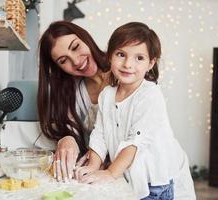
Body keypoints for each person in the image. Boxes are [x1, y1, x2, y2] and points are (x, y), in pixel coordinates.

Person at [75, 22, 196, 199]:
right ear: (110, 56)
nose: (127, 64)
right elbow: (99, 133)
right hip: (128, 174)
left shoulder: (150, 95)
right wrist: (93, 166)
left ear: (150, 63)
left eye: (139, 58)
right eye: (121, 54)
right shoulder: (106, 95)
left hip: (153, 180)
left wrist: (109, 173)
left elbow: (135, 142)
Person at [37, 21, 110, 182]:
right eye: (63, 60)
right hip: (101, 176)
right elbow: (70, 130)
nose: (76, 61)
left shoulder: (125, 70)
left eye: (76, 47)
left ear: (85, 38)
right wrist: (66, 138)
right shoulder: (71, 91)